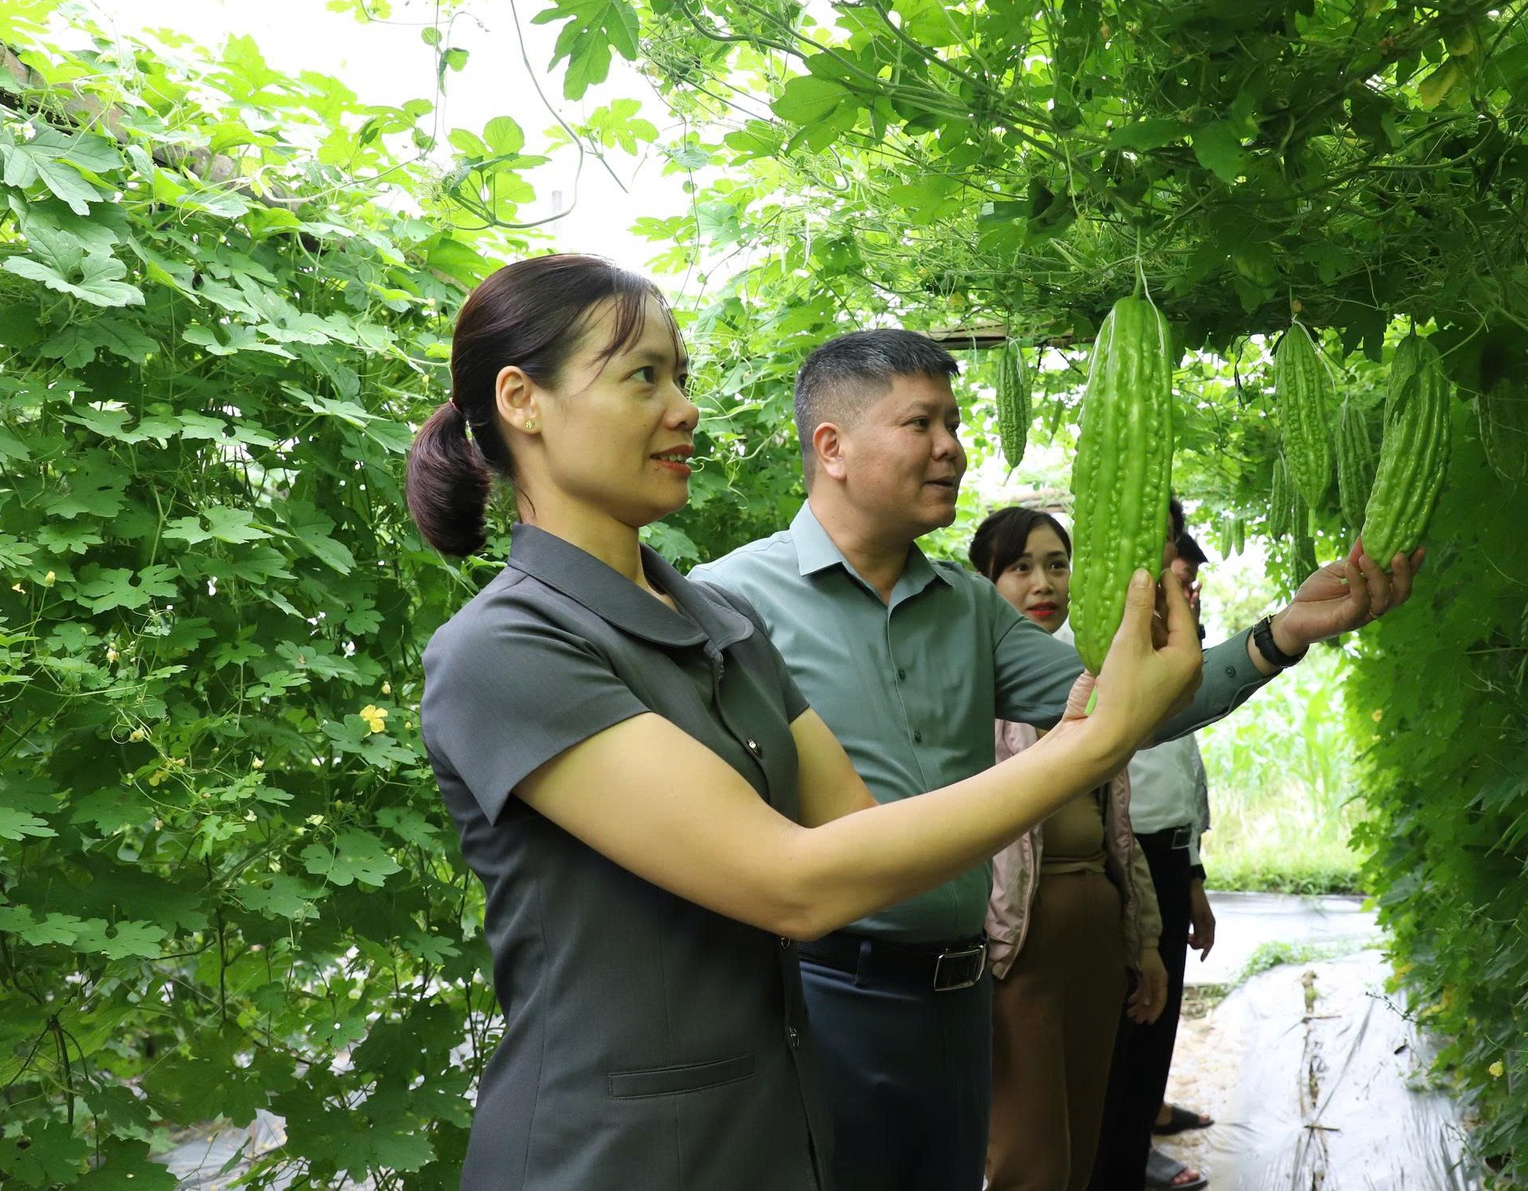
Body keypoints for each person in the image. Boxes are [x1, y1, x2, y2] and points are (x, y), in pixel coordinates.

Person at [406, 258, 1205, 1191]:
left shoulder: (717, 624)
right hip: (611, 1158)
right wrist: (1096, 741)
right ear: (522, 400)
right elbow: (796, 885)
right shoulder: (507, 650)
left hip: (782, 1132)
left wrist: (1103, 703)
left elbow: (865, 840)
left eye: (682, 377)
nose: (685, 408)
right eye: (643, 377)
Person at [691, 329, 1424, 1191]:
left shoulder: (966, 606)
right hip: (824, 992)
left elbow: (1123, 712)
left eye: (954, 424)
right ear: (832, 448)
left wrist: (1282, 635)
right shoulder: (730, 599)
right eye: (921, 424)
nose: (953, 449)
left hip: (962, 993)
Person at [972, 507, 1167, 1191]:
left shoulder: (1092, 686)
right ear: (983, 585)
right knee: (1027, 1158)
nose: (1042, 582)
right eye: (1019, 567)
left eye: (1056, 564)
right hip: (1016, 946)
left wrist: (1142, 941)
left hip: (1093, 935)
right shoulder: (975, 690)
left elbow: (1120, 833)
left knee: (1086, 1135)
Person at [1093, 507, 1220, 1191]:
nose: (1186, 573)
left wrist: (1193, 873)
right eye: (1178, 557)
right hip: (1125, 850)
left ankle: (1144, 1123)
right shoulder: (1102, 639)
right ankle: (1128, 1149)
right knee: (1133, 1013)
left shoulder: (1169, 649)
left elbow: (1182, 772)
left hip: (1167, 849)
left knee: (1156, 1008)